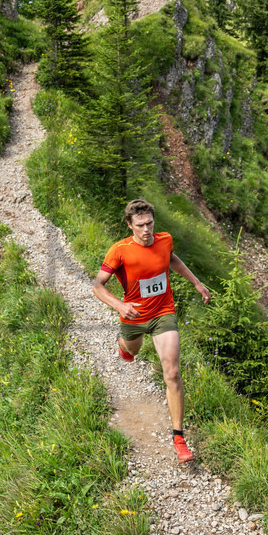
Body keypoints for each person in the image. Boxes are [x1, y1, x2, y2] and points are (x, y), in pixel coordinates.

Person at [91, 198, 211, 463]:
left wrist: (197, 283)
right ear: (129, 225)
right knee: (131, 350)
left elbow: (172, 260)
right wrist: (120, 306)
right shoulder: (119, 250)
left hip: (163, 313)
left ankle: (179, 438)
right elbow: (97, 285)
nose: (146, 230)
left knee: (173, 372)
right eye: (140, 225)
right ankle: (124, 344)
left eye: (150, 223)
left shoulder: (164, 239)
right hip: (133, 316)